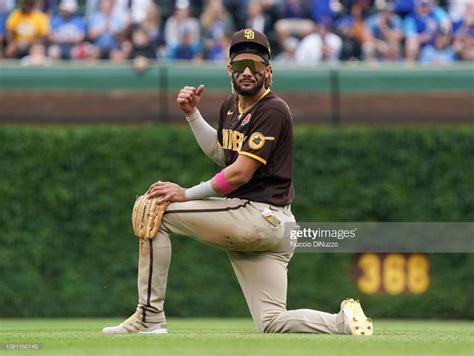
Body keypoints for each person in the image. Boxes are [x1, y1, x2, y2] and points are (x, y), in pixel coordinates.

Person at [102, 28, 373, 336]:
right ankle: (343, 321)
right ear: (229, 69)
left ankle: (149, 317)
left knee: (155, 209)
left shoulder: (272, 109)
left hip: (259, 217)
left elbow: (239, 173)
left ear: (268, 71)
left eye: (255, 65)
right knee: (271, 321)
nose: (247, 71)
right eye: (240, 64)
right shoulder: (230, 107)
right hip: (269, 223)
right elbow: (224, 154)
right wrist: (192, 115)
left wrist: (185, 194)